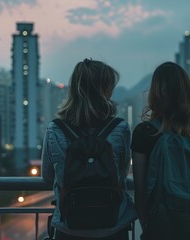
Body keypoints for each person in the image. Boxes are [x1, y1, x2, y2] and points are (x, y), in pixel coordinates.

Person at [41, 58, 137, 240]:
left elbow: (47, 176)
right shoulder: (120, 128)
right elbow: (121, 175)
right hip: (113, 225)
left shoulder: (55, 129)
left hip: (69, 225)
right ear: (104, 90)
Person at [131, 61, 190, 239]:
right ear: (188, 91)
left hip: (159, 225)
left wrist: (147, 226)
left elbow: (140, 192)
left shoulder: (144, 132)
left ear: (155, 94)